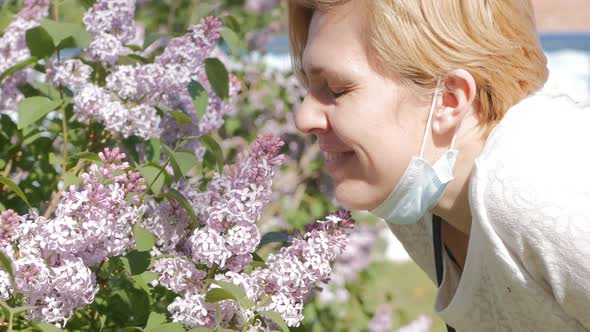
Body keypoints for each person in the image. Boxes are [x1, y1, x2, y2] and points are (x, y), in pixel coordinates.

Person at [287, 0, 590, 331]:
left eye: (335, 89)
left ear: (449, 99)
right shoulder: (417, 204)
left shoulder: (537, 183)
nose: (304, 118)